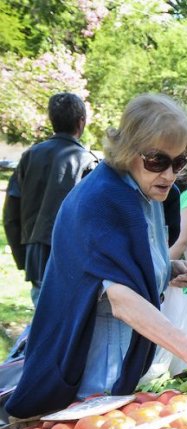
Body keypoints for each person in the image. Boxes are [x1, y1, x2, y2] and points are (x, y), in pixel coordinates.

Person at [5, 94, 187, 419]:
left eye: (179, 162)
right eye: (157, 160)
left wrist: (167, 269)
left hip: (115, 372)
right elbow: (119, 297)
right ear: (129, 151)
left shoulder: (146, 192)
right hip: (84, 376)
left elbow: (118, 264)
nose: (169, 175)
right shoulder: (102, 199)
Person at [3, 92, 98, 305]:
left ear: (52, 120)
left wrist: (23, 257)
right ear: (81, 121)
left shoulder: (29, 156)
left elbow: (10, 215)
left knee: (43, 327)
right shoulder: (89, 163)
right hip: (74, 261)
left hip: (37, 257)